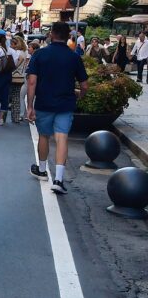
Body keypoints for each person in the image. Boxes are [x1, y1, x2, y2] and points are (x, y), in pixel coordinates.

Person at [27, 21, 89, 194]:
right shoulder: (74, 56)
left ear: (52, 34)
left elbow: (32, 81)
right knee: (62, 138)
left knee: (44, 136)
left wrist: (29, 106)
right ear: (68, 36)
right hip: (65, 103)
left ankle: (41, 170)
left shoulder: (39, 54)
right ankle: (59, 179)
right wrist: (79, 95)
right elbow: (84, 85)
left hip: (44, 103)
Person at [9, 36, 29, 123]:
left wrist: (10, 68)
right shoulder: (24, 52)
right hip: (21, 76)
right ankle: (16, 116)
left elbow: (16, 64)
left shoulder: (18, 53)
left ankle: (16, 116)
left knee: (15, 97)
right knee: (16, 96)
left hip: (15, 76)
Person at [19, 41, 40, 122]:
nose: (28, 49)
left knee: (31, 98)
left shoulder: (35, 58)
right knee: (22, 95)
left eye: (29, 47)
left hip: (30, 81)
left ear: (34, 49)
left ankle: (31, 113)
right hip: (26, 81)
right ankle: (23, 114)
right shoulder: (31, 57)